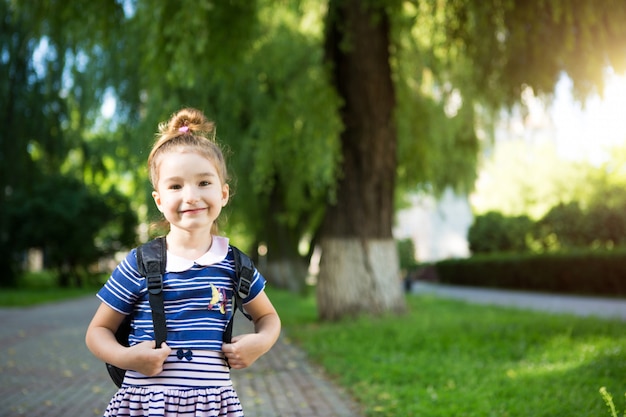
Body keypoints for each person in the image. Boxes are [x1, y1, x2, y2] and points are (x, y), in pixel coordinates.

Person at [86, 107, 281, 417]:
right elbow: (97, 332)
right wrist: (128, 358)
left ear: (224, 193)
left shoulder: (235, 264)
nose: (190, 196)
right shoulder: (140, 263)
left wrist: (261, 343)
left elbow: (269, 318)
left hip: (212, 406)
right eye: (176, 186)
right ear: (159, 200)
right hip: (147, 405)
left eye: (204, 183)